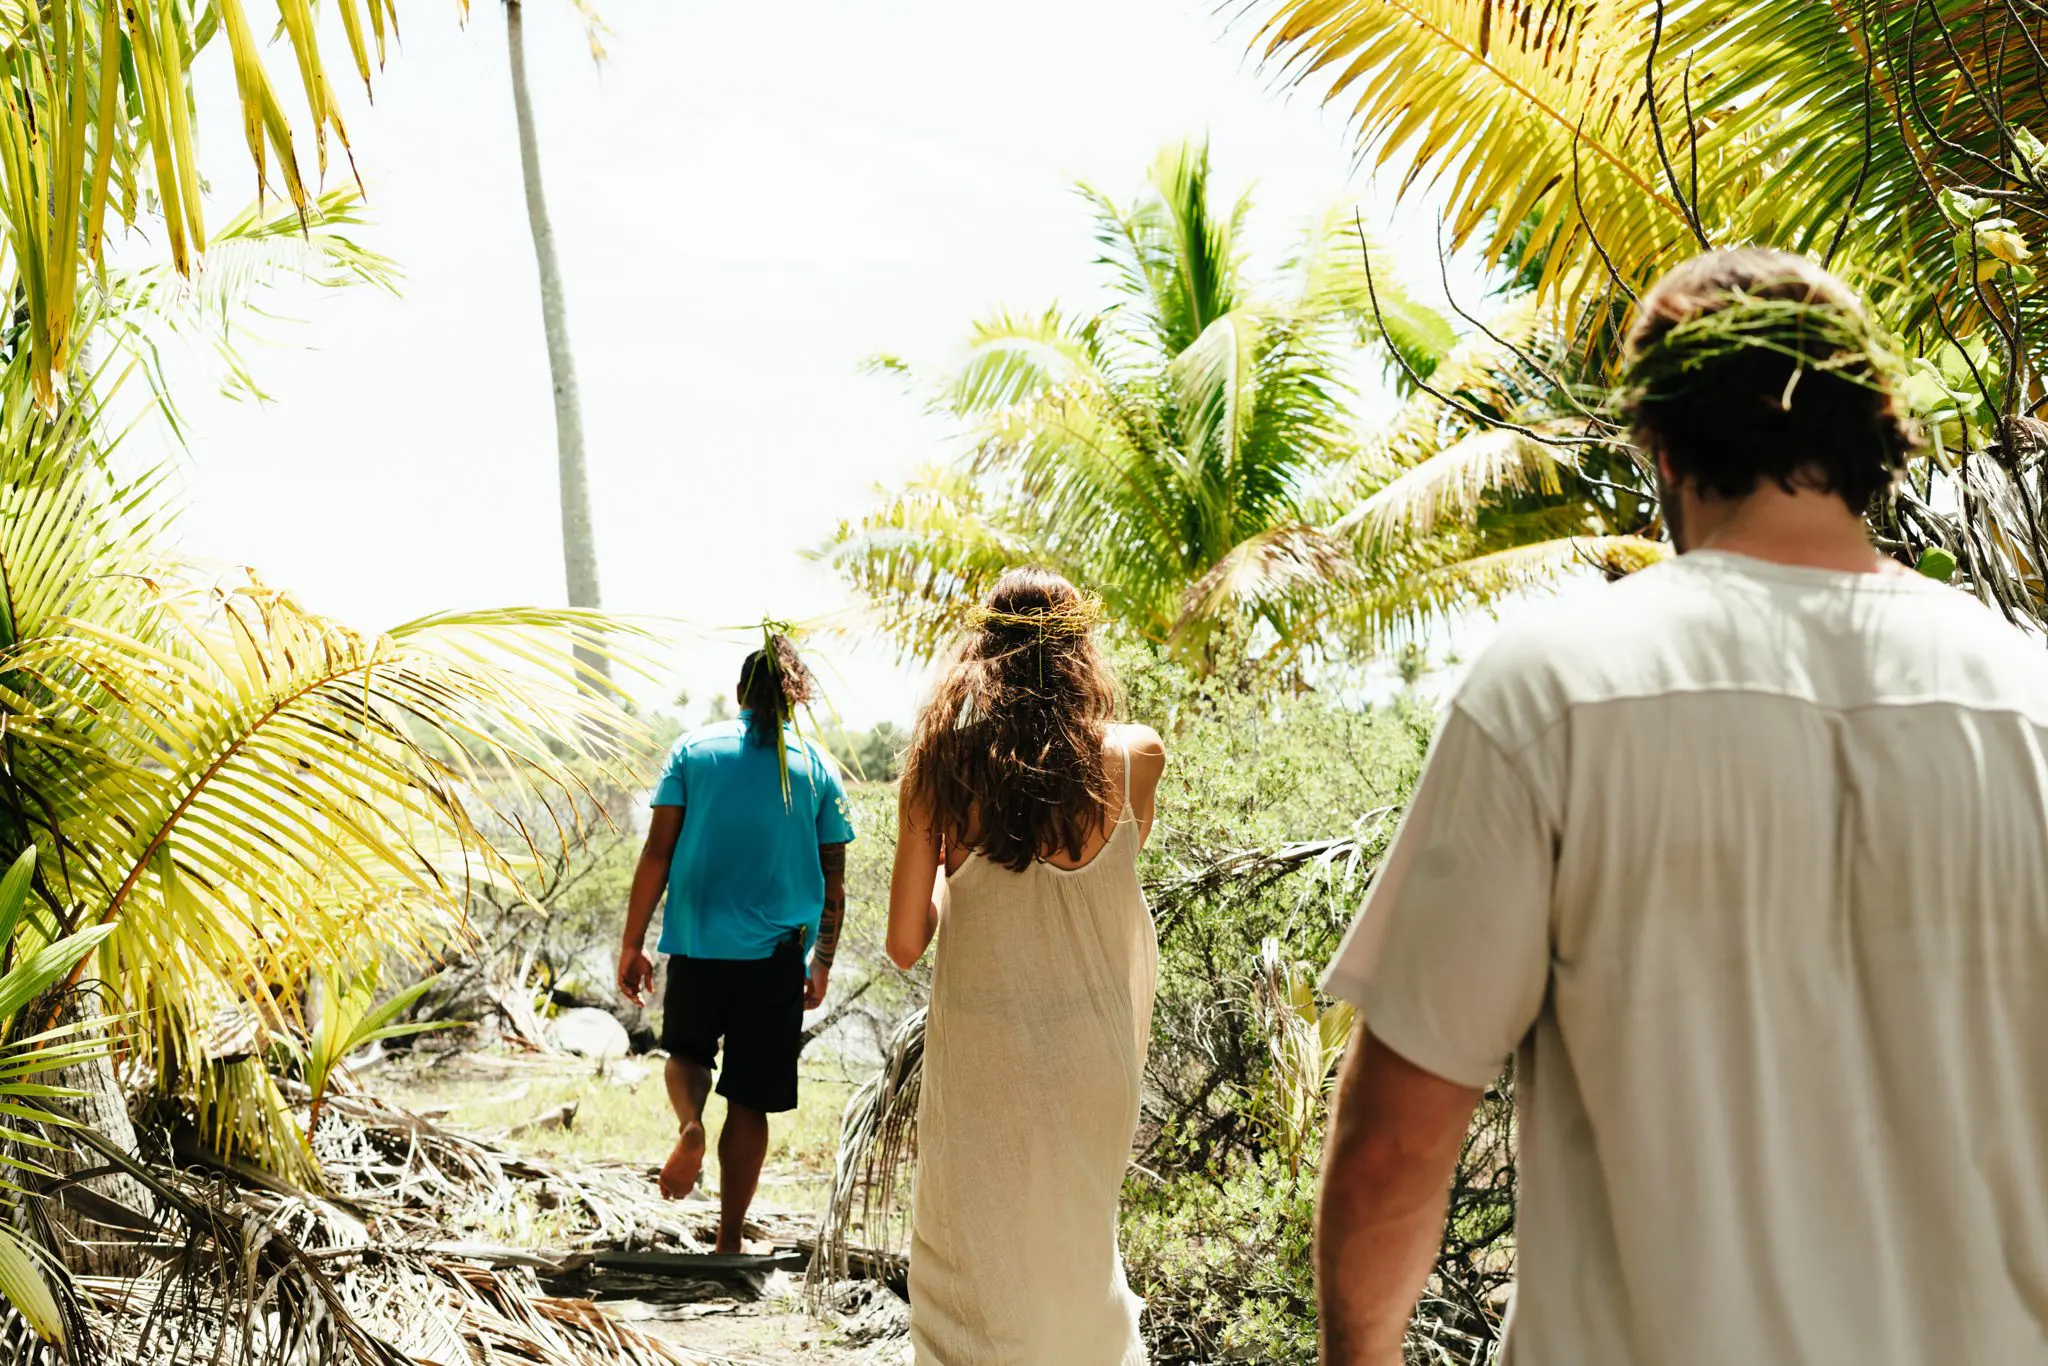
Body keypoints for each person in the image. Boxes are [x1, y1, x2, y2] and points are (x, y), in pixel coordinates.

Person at [1314, 248, 2048, 1365]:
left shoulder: (1553, 691)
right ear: (1873, 431)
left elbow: (1389, 1155)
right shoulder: (2030, 701)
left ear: (1661, 445)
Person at [887, 567, 1165, 1366]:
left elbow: (907, 941)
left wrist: (950, 870)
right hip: (1093, 1051)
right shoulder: (1136, 756)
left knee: (969, 1259)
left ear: (986, 652)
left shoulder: (942, 767)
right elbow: (1093, 896)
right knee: (1077, 1253)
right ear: (1081, 652)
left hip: (986, 1053)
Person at [618, 635, 855, 1254]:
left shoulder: (693, 751)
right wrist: (821, 961)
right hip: (775, 959)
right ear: (797, 696)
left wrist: (632, 941)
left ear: (740, 693)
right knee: (750, 1100)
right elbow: (835, 879)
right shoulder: (818, 767)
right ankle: (727, 1241)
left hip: (698, 947)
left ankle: (691, 1125)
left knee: (689, 1056)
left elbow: (657, 852)